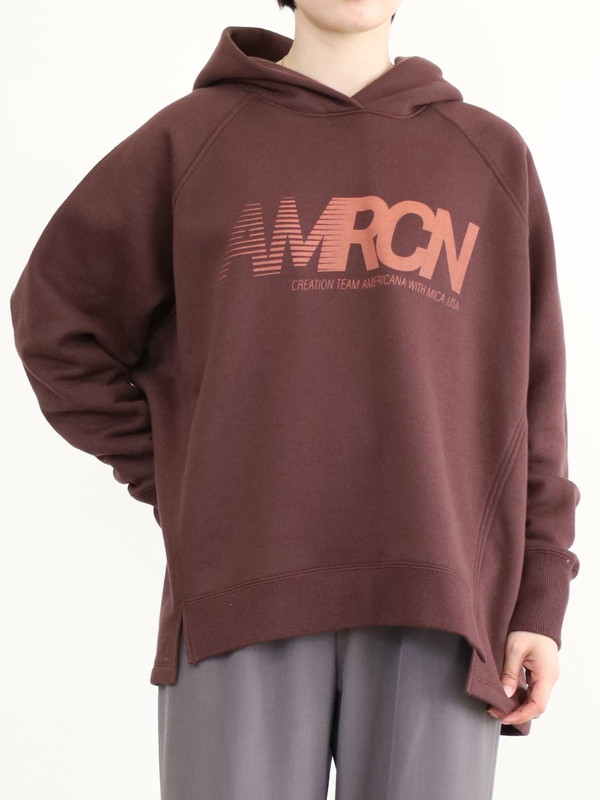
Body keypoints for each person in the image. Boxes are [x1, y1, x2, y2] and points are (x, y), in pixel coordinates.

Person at [10, 1, 581, 798]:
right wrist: (189, 476)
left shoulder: (489, 156)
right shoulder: (192, 139)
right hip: (239, 594)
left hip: (442, 604)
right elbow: (58, 327)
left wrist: (540, 600)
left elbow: (534, 400)